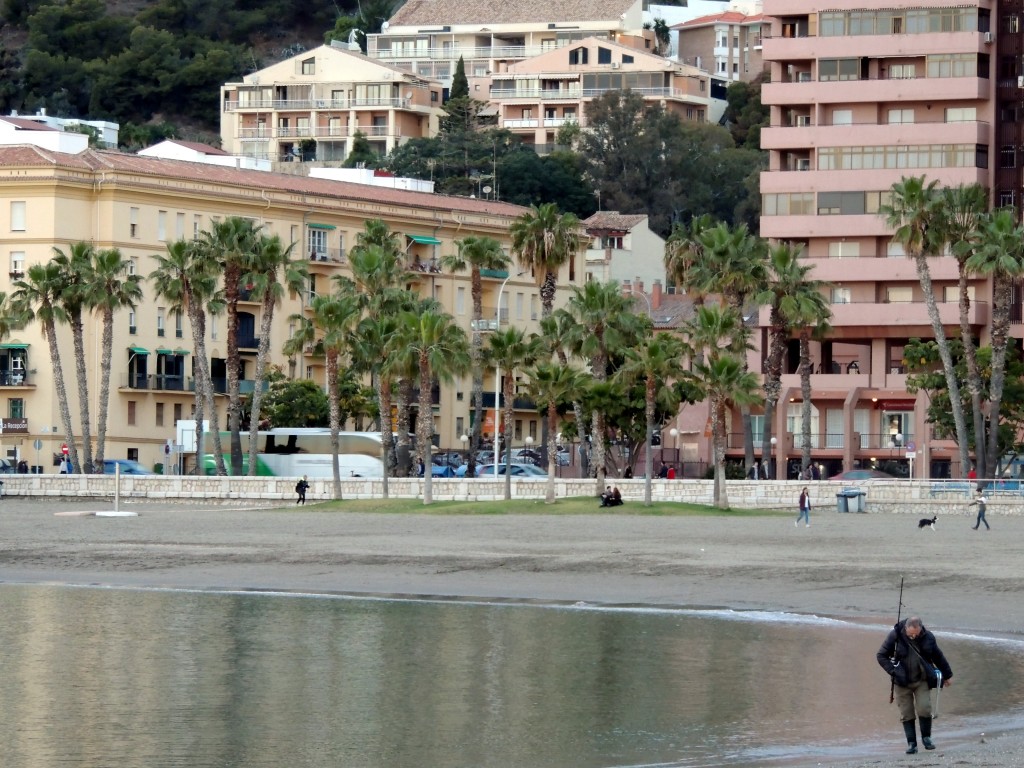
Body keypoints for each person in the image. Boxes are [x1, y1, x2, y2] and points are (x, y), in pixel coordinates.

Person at [876, 616, 953, 754]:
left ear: (921, 629)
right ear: (906, 628)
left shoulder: (928, 637)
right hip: (901, 682)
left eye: (916, 634)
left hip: (921, 680)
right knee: (906, 713)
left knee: (924, 708)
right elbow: (881, 655)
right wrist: (893, 671)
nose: (913, 636)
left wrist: (947, 675)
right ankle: (912, 744)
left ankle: (926, 738)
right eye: (910, 634)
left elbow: (938, 656)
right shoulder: (895, 635)